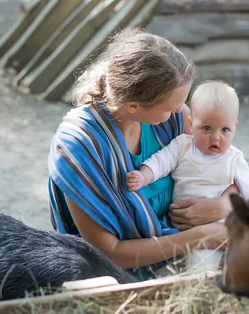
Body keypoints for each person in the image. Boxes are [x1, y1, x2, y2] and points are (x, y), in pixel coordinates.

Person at [47, 28, 233, 281]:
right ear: (133, 106)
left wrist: (223, 205)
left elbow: (226, 163)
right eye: (171, 107)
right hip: (116, 276)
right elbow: (108, 253)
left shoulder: (172, 119)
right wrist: (201, 237)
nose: (183, 111)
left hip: (180, 248)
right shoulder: (80, 147)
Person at [125, 81, 249, 272]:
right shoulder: (182, 146)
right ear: (191, 122)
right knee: (168, 267)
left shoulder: (234, 159)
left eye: (225, 130)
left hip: (217, 229)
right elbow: (161, 162)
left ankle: (201, 294)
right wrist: (143, 176)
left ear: (234, 127)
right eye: (206, 128)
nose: (216, 137)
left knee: (202, 265)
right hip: (178, 226)